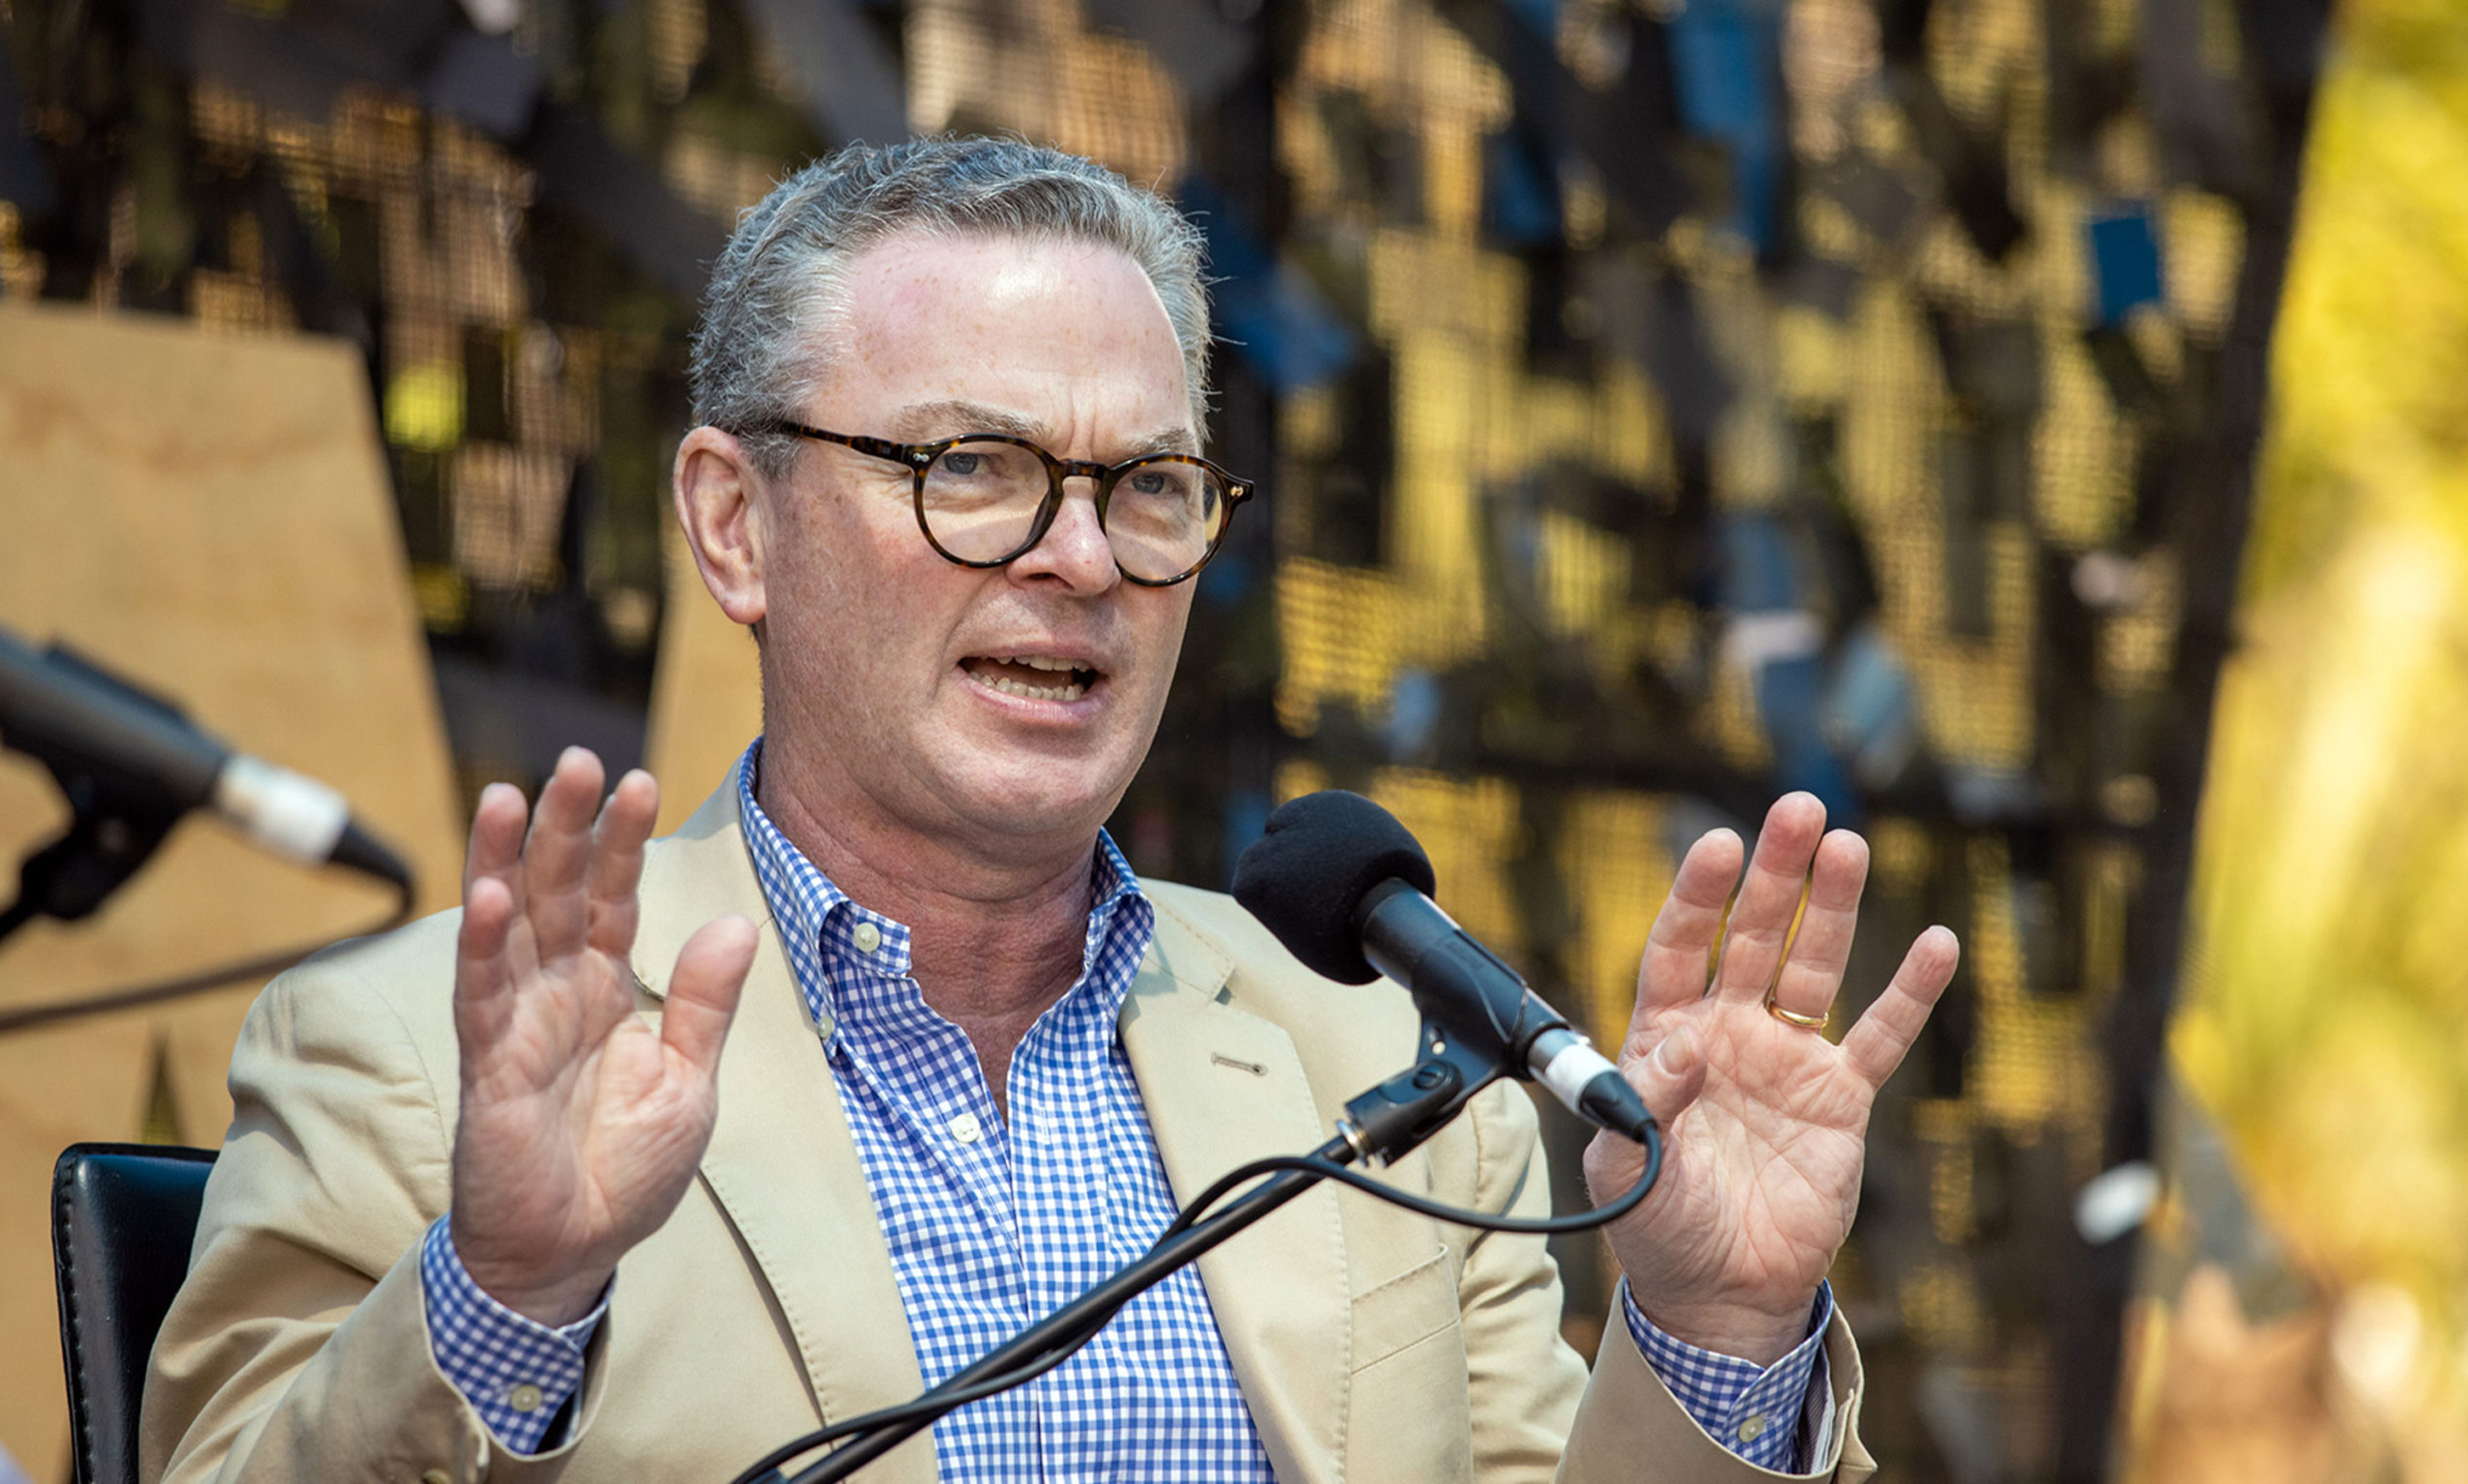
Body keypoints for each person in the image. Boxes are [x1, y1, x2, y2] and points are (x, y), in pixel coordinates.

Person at [143, 136, 1958, 1484]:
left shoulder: (1377, 1071)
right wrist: (507, 1291)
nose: (1081, 558)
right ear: (732, 522)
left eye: (1149, 487)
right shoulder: (405, 1064)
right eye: (974, 470)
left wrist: (1717, 1334)